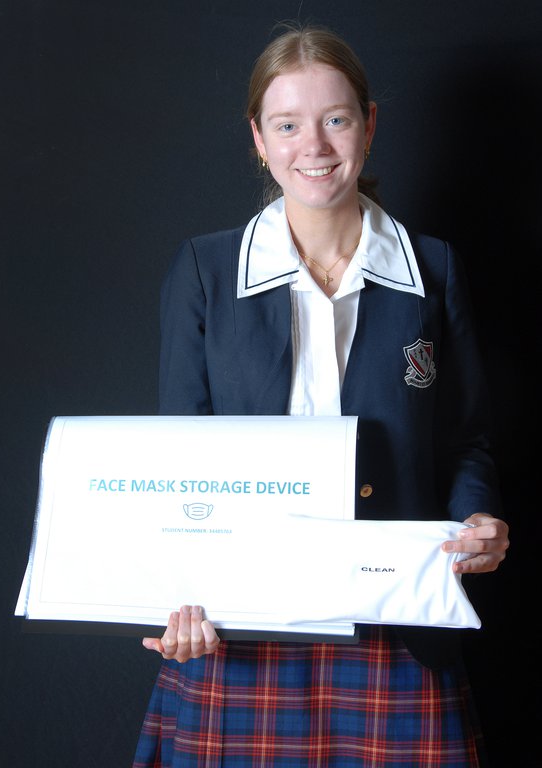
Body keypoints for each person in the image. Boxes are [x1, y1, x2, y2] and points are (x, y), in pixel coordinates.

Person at [132, 22, 509, 768]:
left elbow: (466, 439)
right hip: (242, 624)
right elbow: (179, 459)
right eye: (287, 125)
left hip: (397, 617)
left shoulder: (434, 268)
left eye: (335, 119)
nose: (314, 145)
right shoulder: (205, 271)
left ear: (368, 126)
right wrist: (176, 596)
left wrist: (476, 518)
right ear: (258, 139)